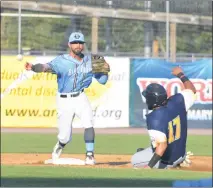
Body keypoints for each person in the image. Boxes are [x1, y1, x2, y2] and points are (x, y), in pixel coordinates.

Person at [25, 32, 110, 165]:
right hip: (64, 99)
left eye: (80, 43)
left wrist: (103, 70)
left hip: (80, 96)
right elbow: (45, 67)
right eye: (75, 43)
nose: (78, 45)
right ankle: (60, 144)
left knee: (88, 123)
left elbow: (103, 80)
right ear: (69, 45)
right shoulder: (61, 61)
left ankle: (89, 155)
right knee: (65, 136)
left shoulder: (91, 61)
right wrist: (33, 67)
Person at [131, 66, 197, 169]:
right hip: (181, 153)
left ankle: (169, 166)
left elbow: (162, 146)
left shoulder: (154, 118)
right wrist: (181, 75)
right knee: (142, 151)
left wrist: (149, 167)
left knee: (135, 159)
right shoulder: (178, 100)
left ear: (151, 99)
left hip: (168, 161)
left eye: (147, 97)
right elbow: (192, 90)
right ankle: (181, 161)